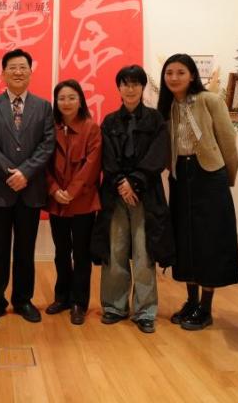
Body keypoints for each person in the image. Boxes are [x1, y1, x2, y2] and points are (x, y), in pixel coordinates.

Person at [157, 53, 238, 331]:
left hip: (210, 176)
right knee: (185, 238)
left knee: (209, 240)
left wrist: (226, 179)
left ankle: (205, 307)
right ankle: (191, 302)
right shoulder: (167, 107)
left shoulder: (209, 100)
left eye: (180, 72)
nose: (174, 78)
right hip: (181, 175)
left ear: (192, 75)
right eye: (169, 73)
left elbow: (228, 141)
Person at [91, 65, 173, 334]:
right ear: (119, 88)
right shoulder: (110, 121)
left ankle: (145, 311)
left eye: (135, 83)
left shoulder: (155, 120)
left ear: (142, 87)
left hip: (145, 196)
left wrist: (135, 182)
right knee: (114, 251)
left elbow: (157, 156)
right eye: (125, 84)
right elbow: (106, 158)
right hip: (115, 196)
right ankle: (114, 306)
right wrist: (121, 183)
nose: (130, 88)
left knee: (143, 253)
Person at [0, 48, 55, 326]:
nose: (18, 72)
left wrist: (26, 172)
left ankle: (23, 300)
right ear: (3, 73)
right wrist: (10, 172)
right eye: (12, 67)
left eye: (23, 67)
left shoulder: (44, 107)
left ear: (31, 72)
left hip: (30, 190)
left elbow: (47, 143)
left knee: (25, 249)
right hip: (0, 190)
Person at [44, 79, 102, 325]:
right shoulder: (50, 128)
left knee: (81, 254)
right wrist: (54, 190)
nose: (66, 102)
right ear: (56, 102)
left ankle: (79, 302)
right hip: (57, 201)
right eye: (61, 98)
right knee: (60, 252)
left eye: (71, 97)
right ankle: (62, 297)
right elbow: (43, 163)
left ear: (80, 101)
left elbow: (92, 165)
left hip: (83, 202)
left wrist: (71, 192)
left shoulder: (91, 128)